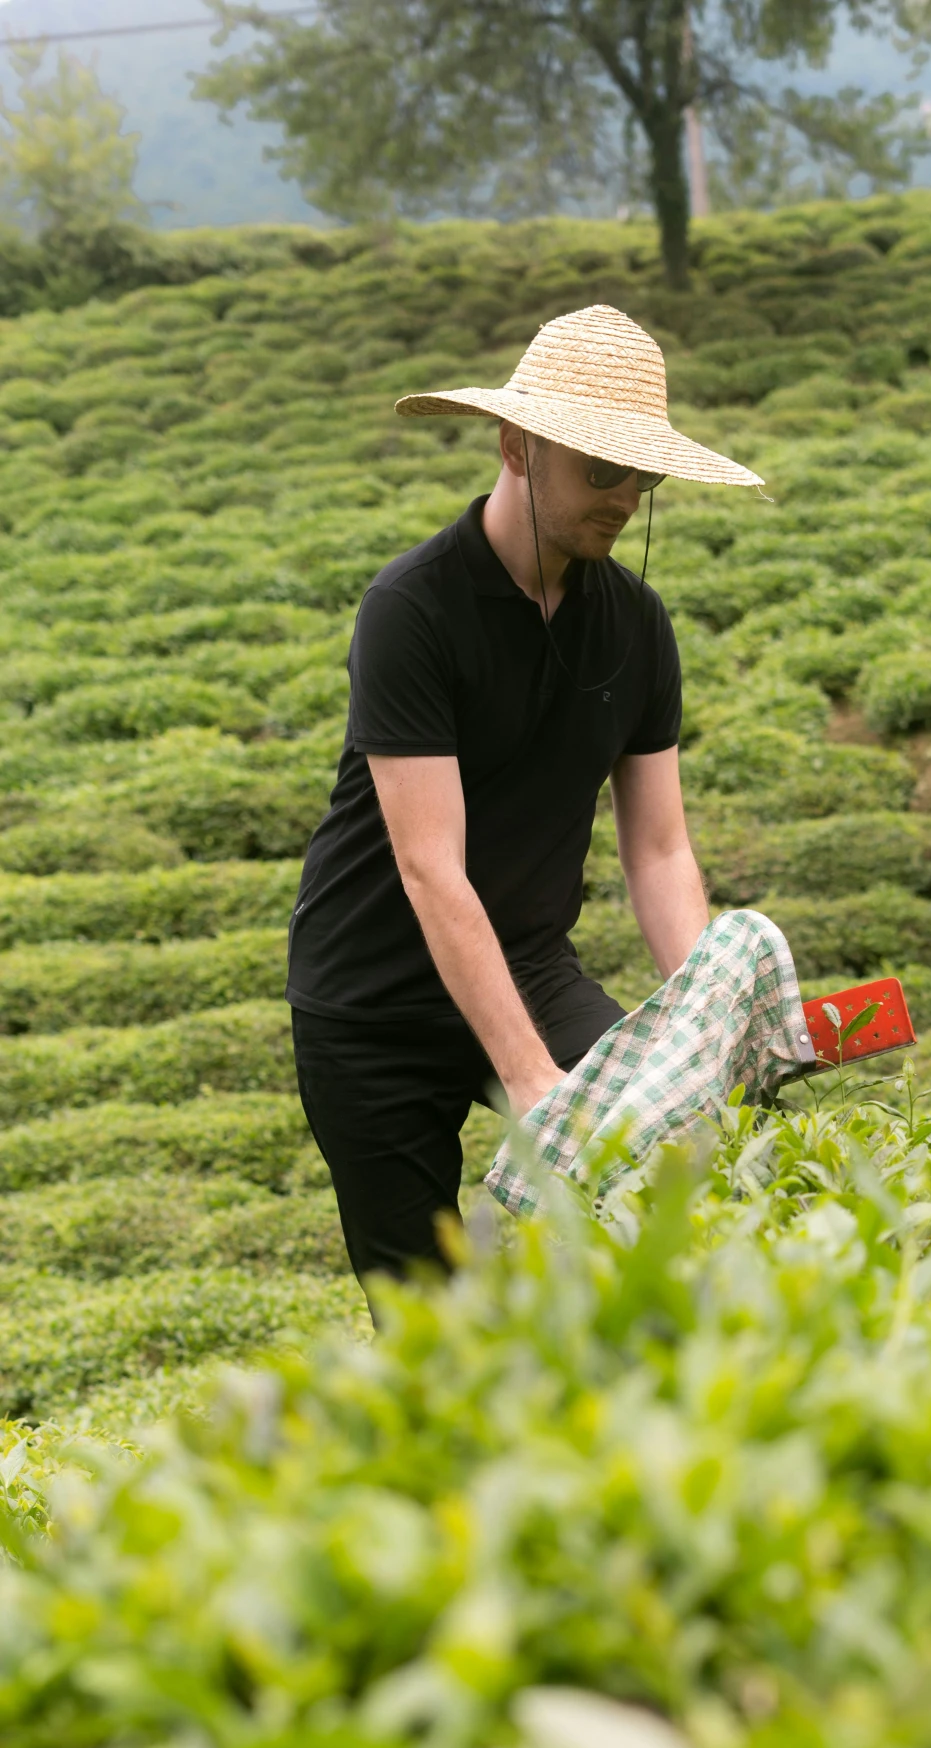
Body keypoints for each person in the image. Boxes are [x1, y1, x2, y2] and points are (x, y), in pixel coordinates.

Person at [285, 304, 764, 1291]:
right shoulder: (411, 611)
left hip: (531, 967)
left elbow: (661, 851)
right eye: (601, 469)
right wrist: (534, 1079)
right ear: (516, 446)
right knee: (426, 1327)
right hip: (372, 999)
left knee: (674, 1168)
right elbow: (428, 866)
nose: (625, 496)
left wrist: (702, 1025)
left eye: (643, 474)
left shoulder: (634, 624)